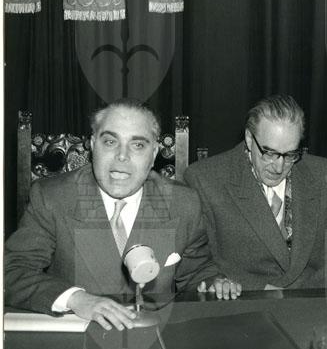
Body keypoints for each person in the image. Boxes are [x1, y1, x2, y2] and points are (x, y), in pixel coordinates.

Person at [5, 99, 219, 329]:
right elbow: (12, 271)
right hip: (79, 339)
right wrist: (75, 299)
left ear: (154, 154)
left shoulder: (183, 203)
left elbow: (197, 271)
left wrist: (213, 283)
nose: (122, 156)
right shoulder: (52, 198)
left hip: (155, 338)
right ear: (93, 145)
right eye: (110, 142)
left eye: (138, 145)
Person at [184, 94, 327, 296]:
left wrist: (301, 300)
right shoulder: (204, 179)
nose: (279, 167)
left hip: (311, 300)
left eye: (290, 155)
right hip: (242, 303)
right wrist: (246, 289)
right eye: (269, 153)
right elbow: (196, 266)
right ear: (249, 138)